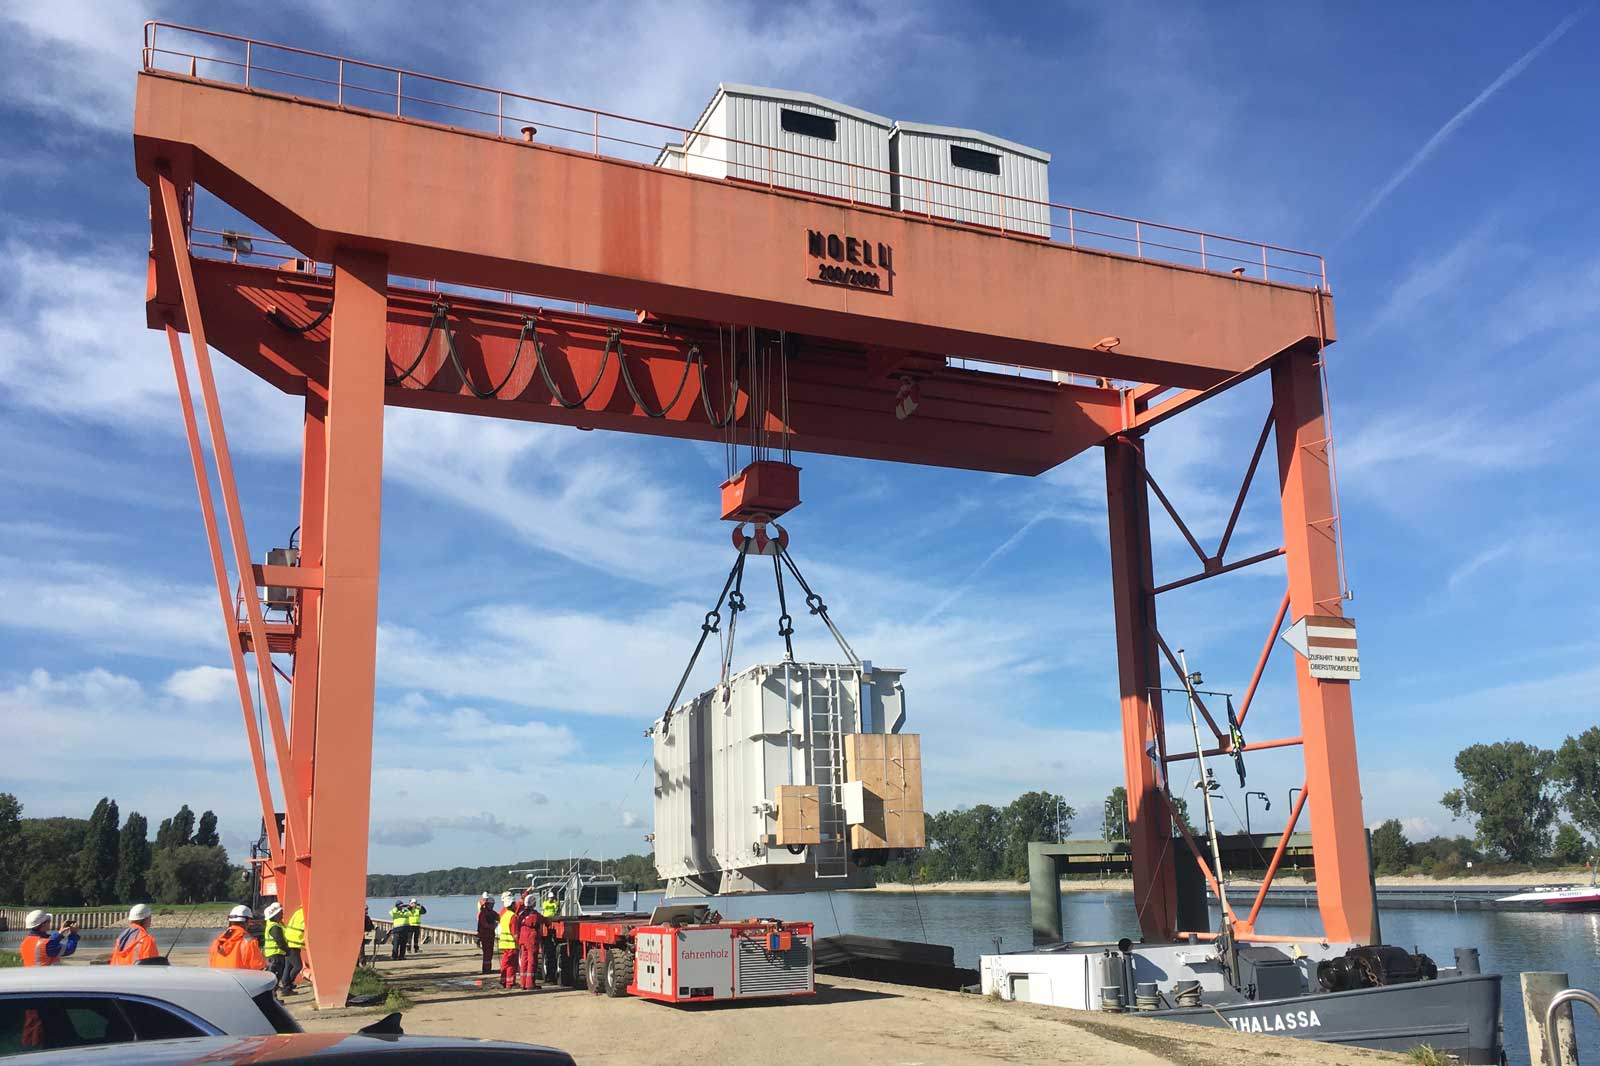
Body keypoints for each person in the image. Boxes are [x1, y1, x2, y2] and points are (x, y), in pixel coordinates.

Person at [209, 905, 267, 969]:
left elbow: (212, 964)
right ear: (247, 921)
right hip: (242, 978)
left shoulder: (217, 942)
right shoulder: (249, 942)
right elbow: (258, 966)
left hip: (220, 978)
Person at [516, 900, 544, 990]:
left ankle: (522, 983)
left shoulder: (521, 914)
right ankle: (530, 984)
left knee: (524, 961)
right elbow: (543, 920)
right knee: (532, 961)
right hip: (530, 939)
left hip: (522, 938)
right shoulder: (534, 915)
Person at [496, 892, 520, 988]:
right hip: (511, 945)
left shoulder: (504, 915)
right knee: (512, 965)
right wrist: (520, 943)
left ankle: (504, 981)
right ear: (512, 905)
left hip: (504, 944)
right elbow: (515, 933)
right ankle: (510, 982)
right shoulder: (513, 917)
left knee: (505, 964)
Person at [263, 902, 289, 986]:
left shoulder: (272, 925)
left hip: (273, 955)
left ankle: (274, 995)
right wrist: (288, 951)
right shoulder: (275, 927)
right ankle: (273, 995)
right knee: (275, 977)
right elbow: (280, 941)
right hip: (276, 955)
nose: (282, 915)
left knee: (274, 977)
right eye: (280, 913)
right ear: (275, 915)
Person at [282, 906, 306, 993]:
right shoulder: (305, 913)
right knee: (298, 966)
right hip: (294, 943)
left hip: (289, 942)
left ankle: (286, 985)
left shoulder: (299, 911)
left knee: (288, 967)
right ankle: (287, 986)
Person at [475, 892, 499, 975]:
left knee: (490, 953)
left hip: (490, 935)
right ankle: (486, 970)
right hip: (485, 936)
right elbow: (484, 924)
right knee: (487, 953)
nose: (492, 906)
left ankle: (488, 968)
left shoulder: (492, 913)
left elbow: (499, 917)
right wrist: (493, 926)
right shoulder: (483, 913)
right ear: (488, 904)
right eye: (491, 904)